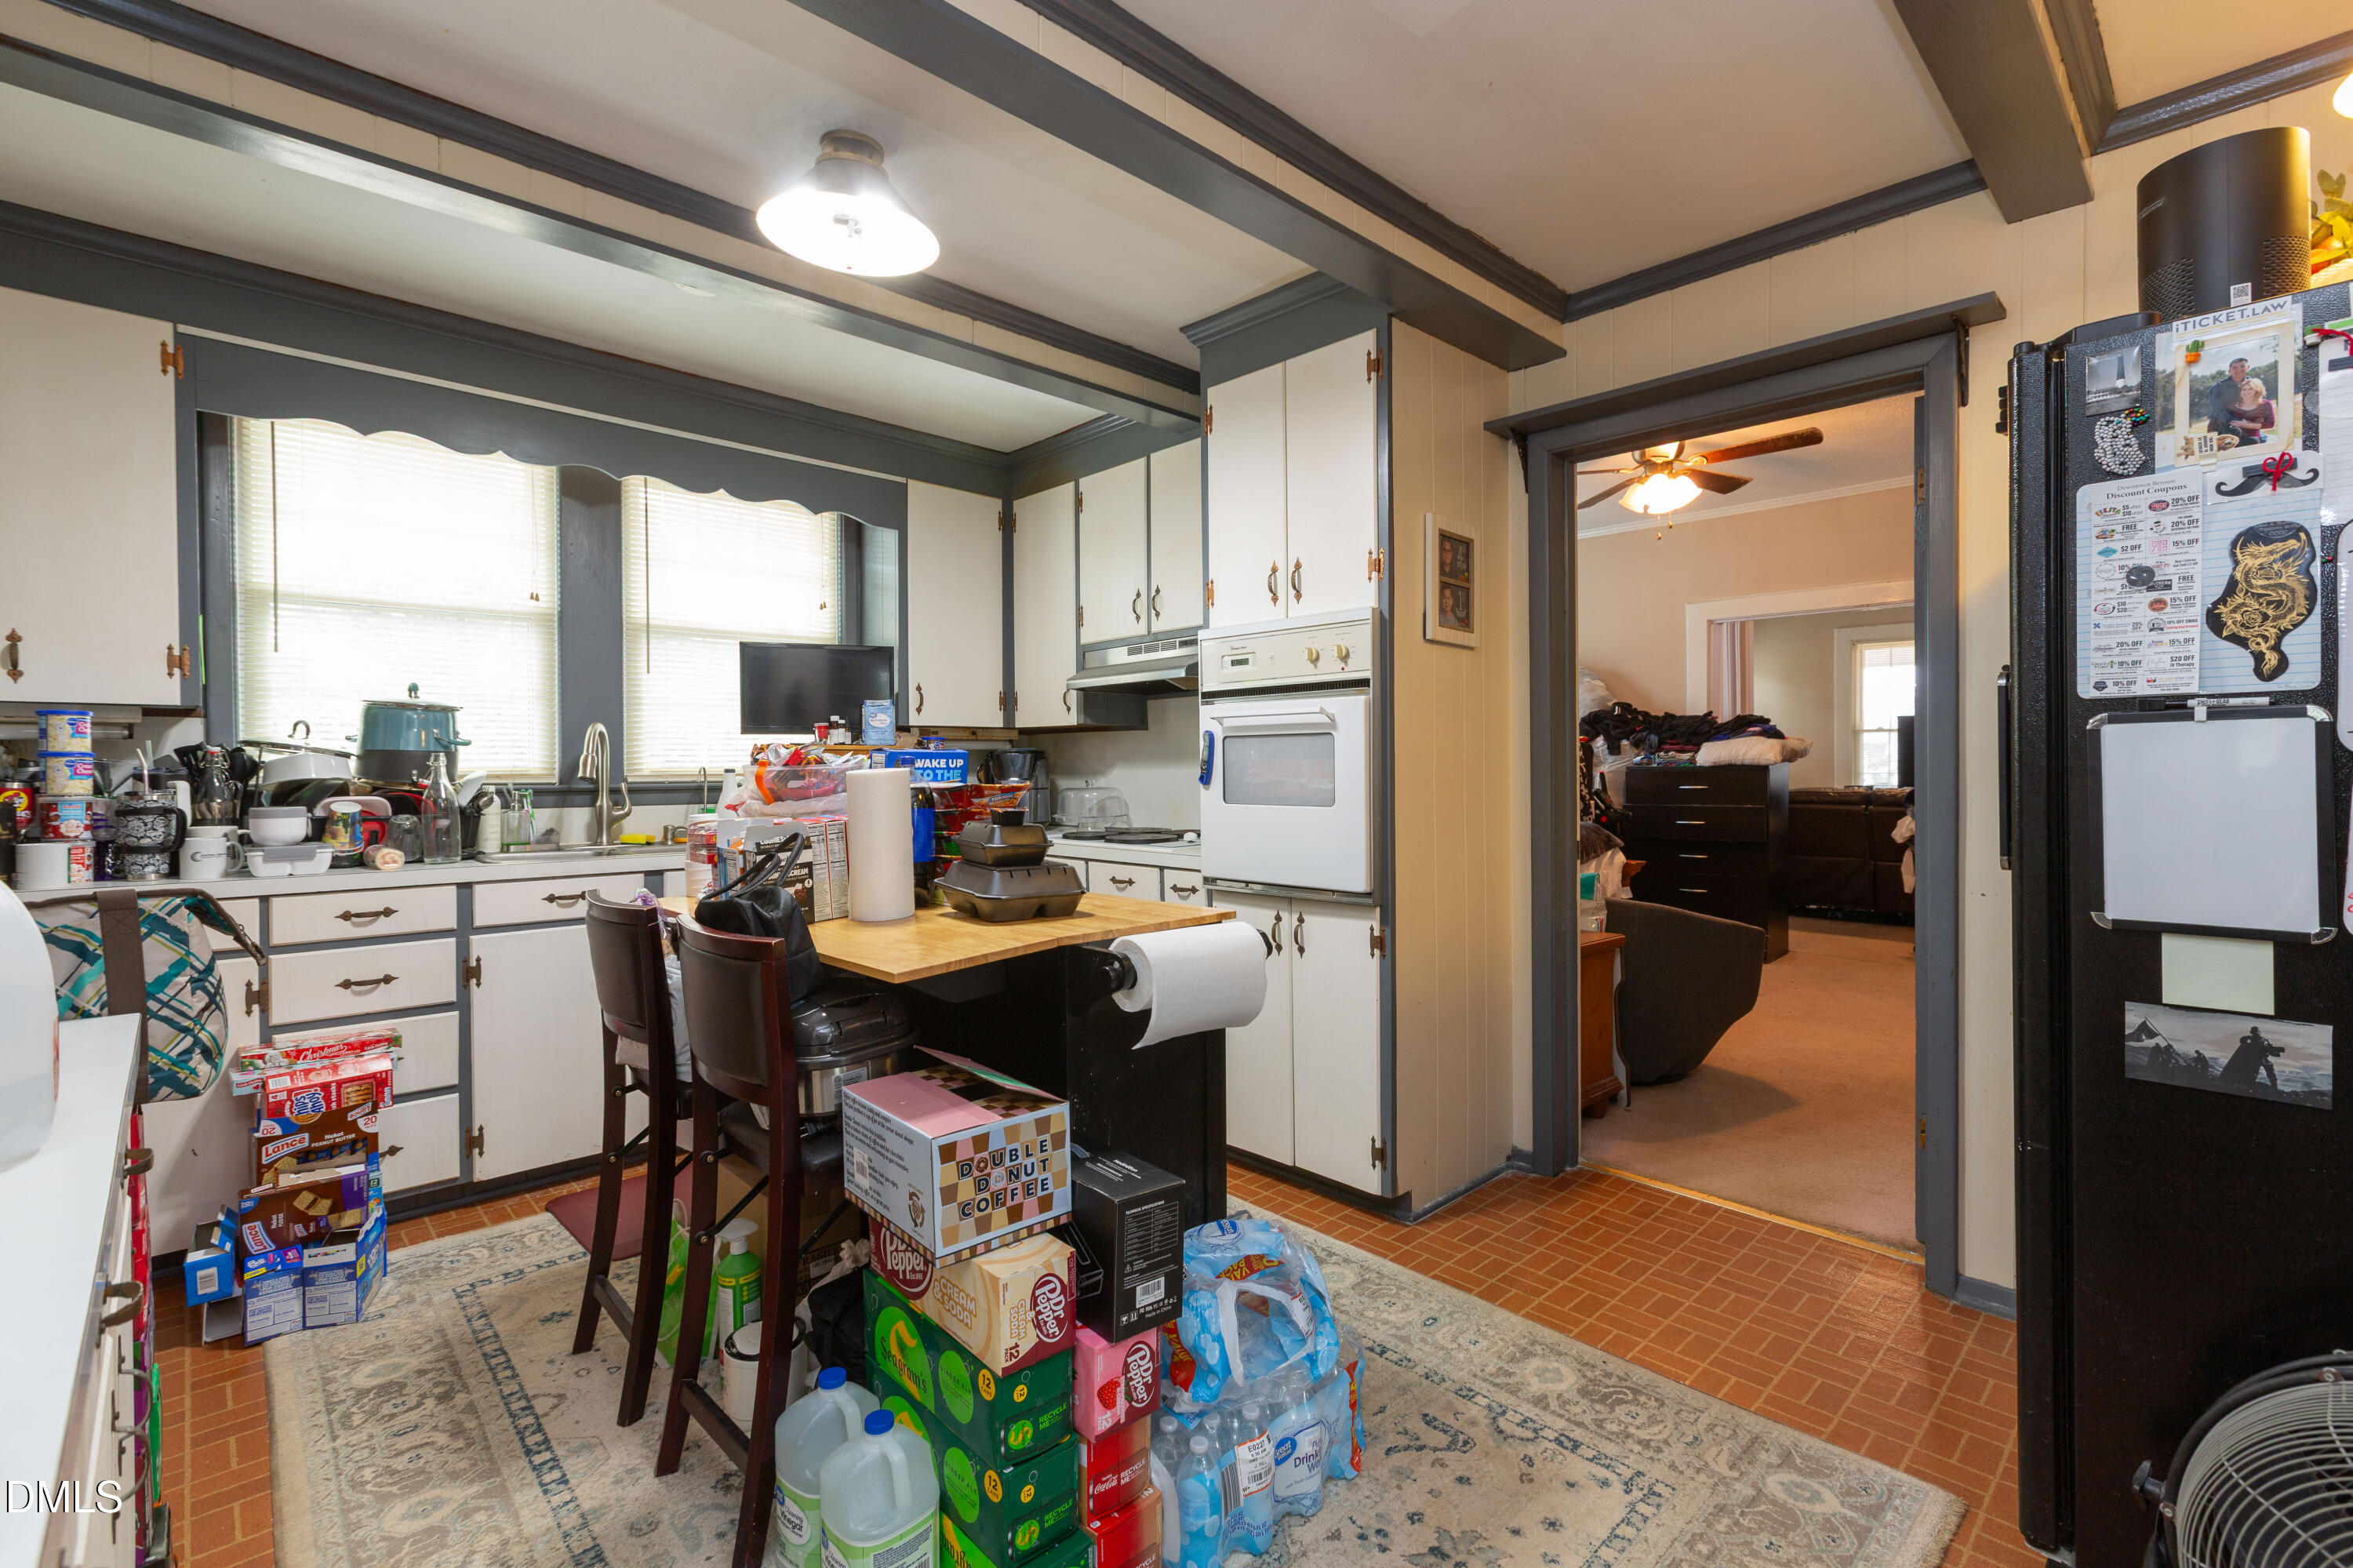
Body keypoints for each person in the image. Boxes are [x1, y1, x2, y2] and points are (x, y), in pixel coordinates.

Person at [2206, 357, 2253, 435]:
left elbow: (2261, 402)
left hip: (2247, 424)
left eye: (2242, 366)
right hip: (2221, 425)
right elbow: (2218, 411)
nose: (2239, 370)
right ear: (2229, 371)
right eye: (2235, 368)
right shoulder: (2218, 387)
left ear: (2248, 368)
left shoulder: (2253, 383)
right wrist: (2240, 422)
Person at [2227, 377, 2275, 449]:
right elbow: (2226, 421)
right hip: (2235, 437)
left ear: (2257, 390)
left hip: (2253, 437)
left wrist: (2248, 425)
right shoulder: (2233, 407)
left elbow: (2271, 423)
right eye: (2244, 389)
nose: (2246, 392)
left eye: (2250, 389)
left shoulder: (2266, 405)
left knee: (2253, 442)